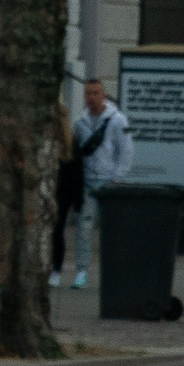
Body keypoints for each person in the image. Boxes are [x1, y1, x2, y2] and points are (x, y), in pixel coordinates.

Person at [65, 78, 132, 290]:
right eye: (88, 93)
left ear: (103, 95)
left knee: (113, 230)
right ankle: (82, 272)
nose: (91, 97)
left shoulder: (118, 121)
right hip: (87, 181)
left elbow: (126, 151)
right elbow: (75, 154)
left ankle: (116, 272)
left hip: (109, 182)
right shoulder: (79, 123)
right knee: (84, 228)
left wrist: (117, 178)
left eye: (96, 93)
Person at [49, 99, 83, 289]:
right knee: (53, 231)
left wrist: (77, 200)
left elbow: (77, 174)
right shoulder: (68, 142)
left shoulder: (70, 143)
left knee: (55, 231)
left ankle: (55, 270)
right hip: (58, 191)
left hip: (61, 192)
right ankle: (53, 270)